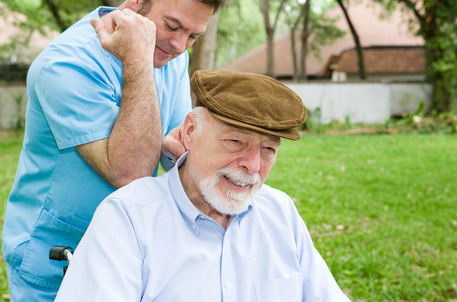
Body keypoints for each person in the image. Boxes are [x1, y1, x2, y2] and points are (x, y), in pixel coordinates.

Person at [2, 0, 229, 300]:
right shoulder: (63, 65)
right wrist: (137, 58)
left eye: (193, 36)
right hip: (56, 258)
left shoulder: (171, 54)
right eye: (173, 26)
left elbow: (175, 146)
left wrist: (173, 152)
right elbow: (130, 171)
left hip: (126, 249)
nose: (179, 46)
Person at [55, 70, 350, 301]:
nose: (253, 165)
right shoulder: (128, 217)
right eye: (235, 142)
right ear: (190, 131)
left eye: (268, 149)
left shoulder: (279, 212)